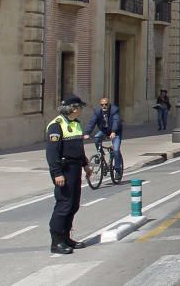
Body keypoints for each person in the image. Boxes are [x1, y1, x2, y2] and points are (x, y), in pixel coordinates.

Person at [46, 94, 92, 254]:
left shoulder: (76, 124)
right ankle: (56, 241)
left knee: (73, 204)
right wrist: (57, 173)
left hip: (75, 168)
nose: (81, 110)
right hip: (64, 170)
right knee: (64, 205)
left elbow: (79, 149)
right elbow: (52, 154)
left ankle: (66, 237)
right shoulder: (56, 126)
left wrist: (86, 165)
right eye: (80, 107)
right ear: (73, 108)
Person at [84, 97, 123, 181]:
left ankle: (117, 170)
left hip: (115, 131)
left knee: (116, 150)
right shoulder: (97, 112)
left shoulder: (114, 110)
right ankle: (100, 154)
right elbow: (92, 122)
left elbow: (116, 121)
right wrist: (87, 133)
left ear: (109, 104)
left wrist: (113, 131)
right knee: (97, 138)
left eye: (106, 104)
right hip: (104, 131)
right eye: (102, 105)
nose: (104, 106)